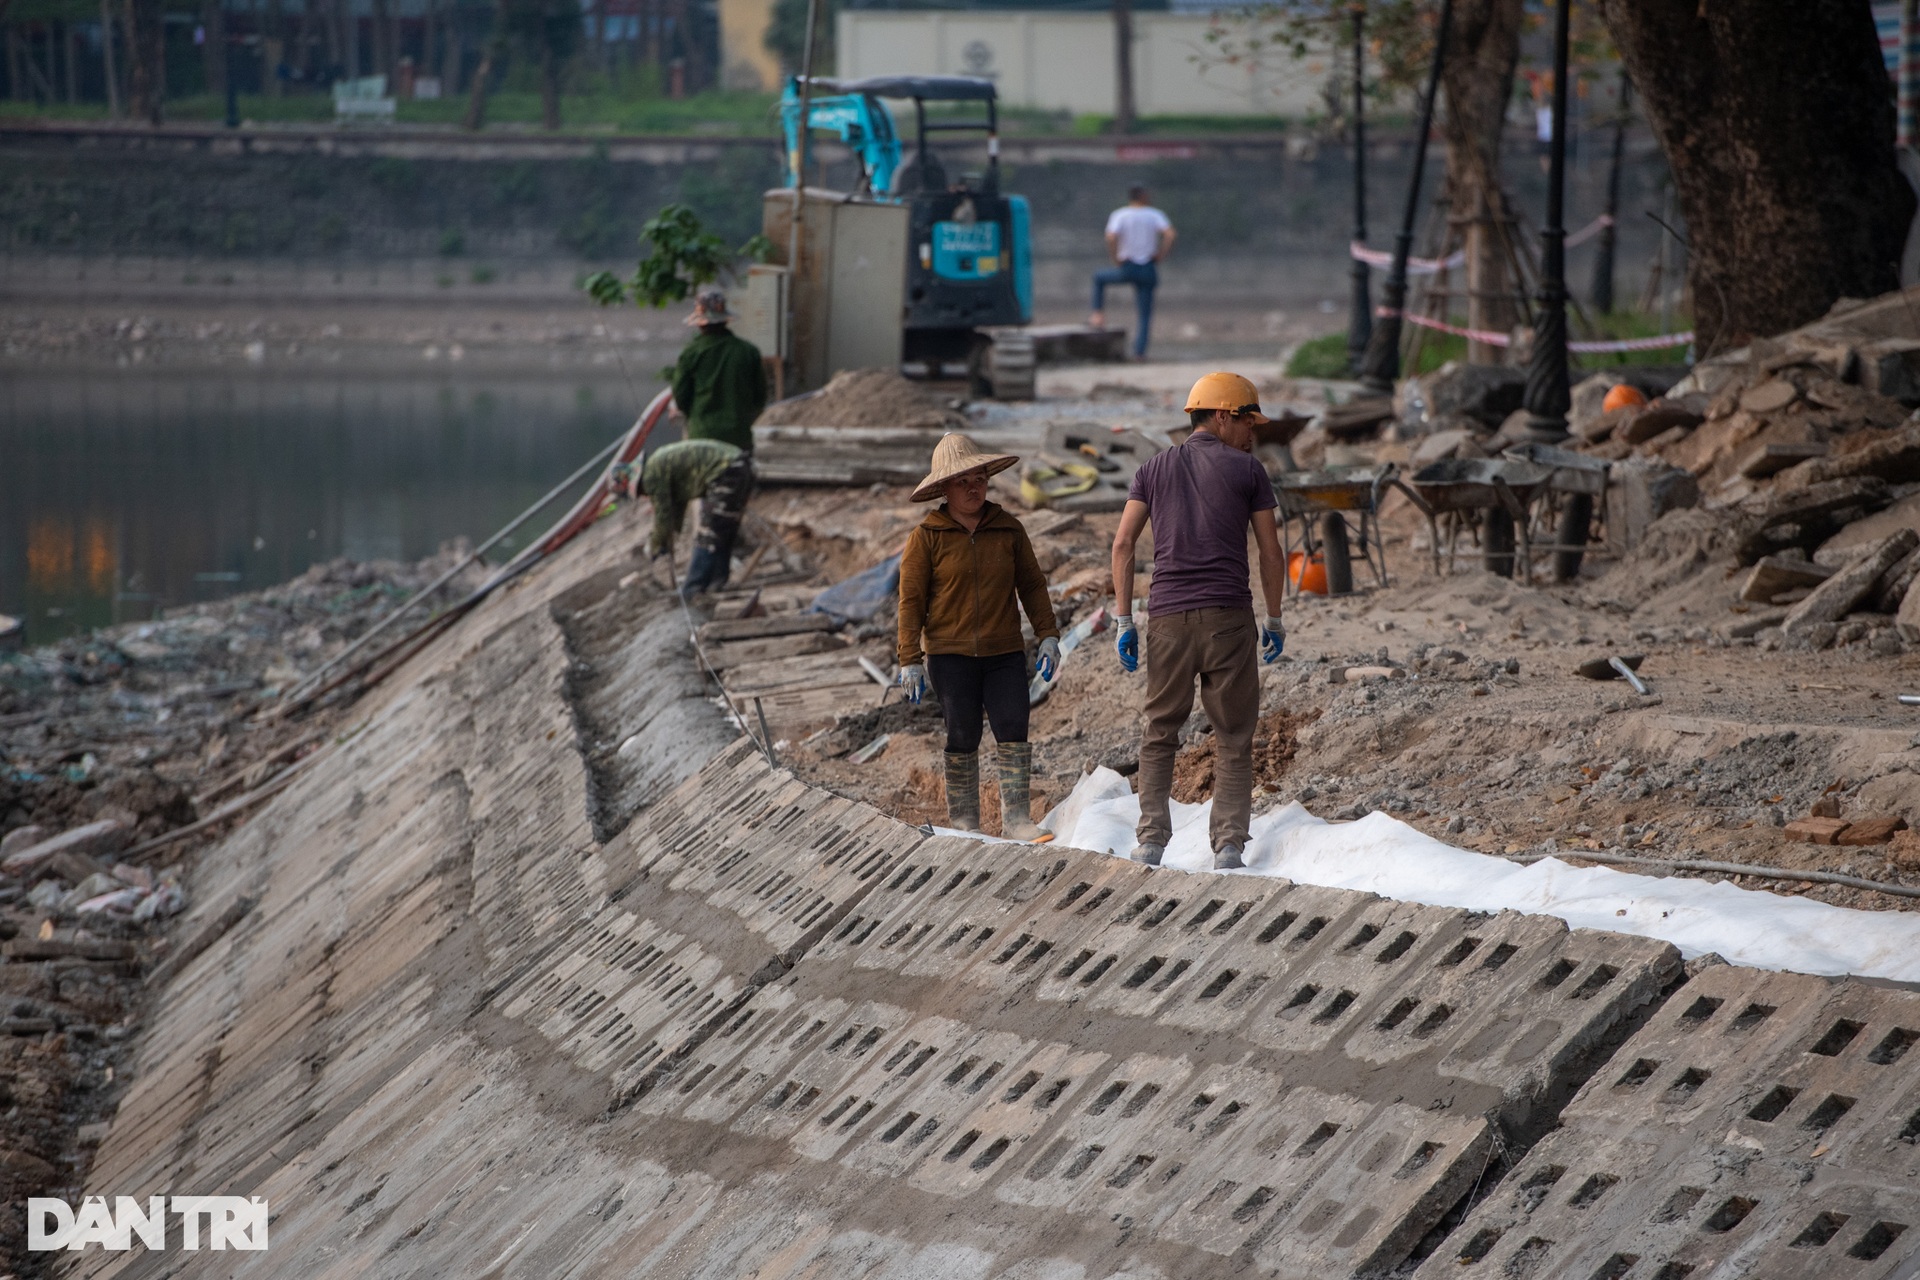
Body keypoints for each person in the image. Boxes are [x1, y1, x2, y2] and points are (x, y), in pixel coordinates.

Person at [1110, 372, 1288, 871]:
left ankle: (1150, 842)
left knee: (1159, 731)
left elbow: (1123, 544)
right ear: (1224, 415)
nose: (1252, 432)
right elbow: (1270, 551)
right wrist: (1274, 616)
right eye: (1248, 419)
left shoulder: (1153, 469)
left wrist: (1124, 618)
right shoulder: (1248, 471)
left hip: (1166, 617)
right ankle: (1228, 845)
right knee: (1233, 734)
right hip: (1228, 618)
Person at [897, 434, 1062, 840]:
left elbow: (1033, 585)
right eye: (962, 481)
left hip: (1004, 650)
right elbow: (910, 601)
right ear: (944, 489)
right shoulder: (927, 538)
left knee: (1013, 727)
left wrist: (1048, 635)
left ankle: (1018, 820)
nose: (974, 488)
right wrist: (909, 659)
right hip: (950, 655)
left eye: (980, 478)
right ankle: (967, 823)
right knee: (962, 733)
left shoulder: (1008, 529)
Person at [637, 437, 754, 598]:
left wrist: (656, 543)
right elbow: (676, 507)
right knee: (723, 529)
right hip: (739, 465)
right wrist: (670, 535)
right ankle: (716, 582)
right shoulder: (658, 466)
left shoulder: (651, 475)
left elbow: (663, 514)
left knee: (708, 533)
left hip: (725, 471)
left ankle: (692, 587)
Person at [671, 286, 767, 453]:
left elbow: (680, 395)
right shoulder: (748, 352)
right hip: (739, 438)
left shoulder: (691, 354)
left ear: (700, 323)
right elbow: (760, 397)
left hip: (701, 437)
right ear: (725, 320)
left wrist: (696, 416)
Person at [1089, 185, 1176, 360]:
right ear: (1142, 196)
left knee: (1099, 278)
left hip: (1128, 266)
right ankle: (1139, 353)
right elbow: (1170, 234)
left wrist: (1115, 257)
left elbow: (1111, 236)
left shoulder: (1120, 215)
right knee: (1145, 314)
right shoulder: (1154, 214)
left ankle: (1097, 314)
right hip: (1148, 267)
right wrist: (1161, 254)